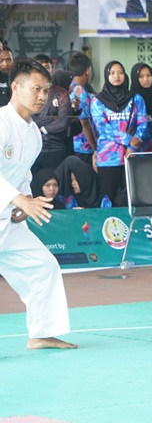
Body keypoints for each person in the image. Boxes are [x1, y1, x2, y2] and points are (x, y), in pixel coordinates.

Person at [0, 60, 76, 350]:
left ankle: (41, 333)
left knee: (43, 266)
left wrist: (23, 204)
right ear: (15, 87)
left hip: (7, 220)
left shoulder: (34, 134)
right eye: (36, 89)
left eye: (46, 90)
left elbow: (21, 175)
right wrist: (20, 200)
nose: (43, 96)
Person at [90, 61, 149, 205]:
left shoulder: (136, 99)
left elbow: (143, 123)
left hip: (131, 155)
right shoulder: (97, 101)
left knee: (131, 197)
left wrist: (133, 146)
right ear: (106, 75)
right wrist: (129, 139)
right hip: (108, 158)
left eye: (120, 72)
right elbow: (102, 127)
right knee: (107, 198)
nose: (117, 76)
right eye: (112, 73)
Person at [32, 70, 74, 172]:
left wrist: (42, 129)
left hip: (55, 148)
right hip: (32, 148)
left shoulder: (61, 93)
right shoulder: (30, 93)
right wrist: (52, 118)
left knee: (55, 183)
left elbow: (63, 121)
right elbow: (28, 119)